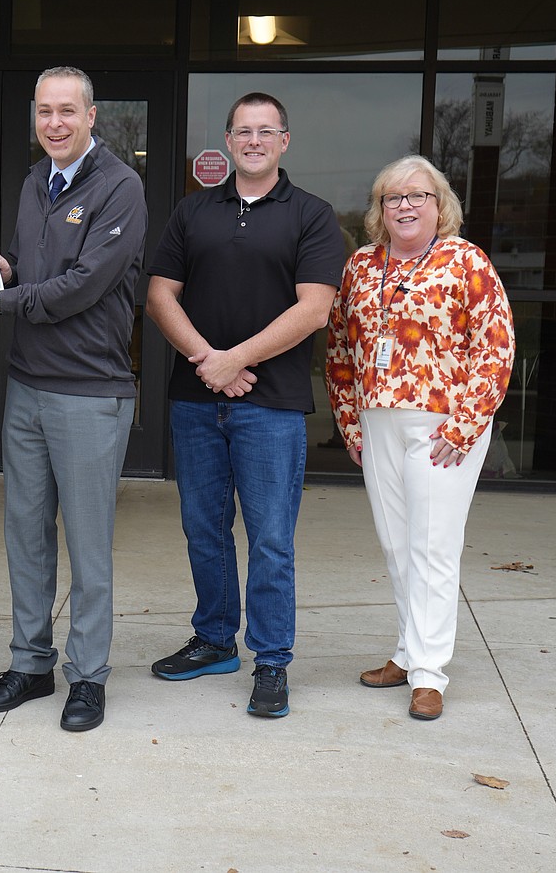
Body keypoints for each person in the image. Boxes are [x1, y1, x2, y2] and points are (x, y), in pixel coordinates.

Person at [0, 66, 147, 732]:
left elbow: (83, 286)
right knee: (26, 537)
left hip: (89, 394)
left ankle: (88, 678)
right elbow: (45, 274)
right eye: (44, 112)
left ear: (92, 117)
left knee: (89, 547)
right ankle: (31, 664)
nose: (54, 123)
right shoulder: (37, 182)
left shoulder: (121, 187)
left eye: (67, 111)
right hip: (27, 388)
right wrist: (6, 268)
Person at [145, 92, 343, 719]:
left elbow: (314, 308)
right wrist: (210, 359)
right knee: (203, 530)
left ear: (285, 140)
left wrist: (236, 361)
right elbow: (159, 295)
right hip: (195, 400)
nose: (253, 141)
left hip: (273, 405)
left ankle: (272, 662)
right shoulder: (192, 210)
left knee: (269, 539)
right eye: (242, 131)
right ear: (228, 140)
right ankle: (213, 640)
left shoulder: (312, 215)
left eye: (266, 131)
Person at [326, 154, 514, 720]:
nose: (405, 206)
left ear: (440, 207)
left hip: (443, 428)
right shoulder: (360, 266)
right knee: (396, 544)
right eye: (393, 198)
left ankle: (430, 673)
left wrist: (466, 422)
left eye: (418, 196)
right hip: (377, 423)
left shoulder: (465, 262)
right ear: (380, 210)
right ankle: (408, 653)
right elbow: (339, 347)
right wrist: (350, 420)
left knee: (432, 547)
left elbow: (496, 346)